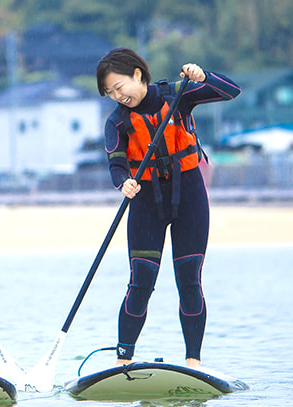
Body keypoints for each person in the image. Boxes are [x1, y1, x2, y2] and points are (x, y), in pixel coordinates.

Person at [95, 48, 241, 369]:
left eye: (120, 87)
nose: (118, 96)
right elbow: (116, 163)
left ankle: (193, 362)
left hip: (189, 196)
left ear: (137, 74)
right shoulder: (116, 121)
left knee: (189, 280)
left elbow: (230, 90)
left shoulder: (177, 95)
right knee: (140, 282)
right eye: (110, 93)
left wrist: (203, 76)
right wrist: (123, 183)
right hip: (146, 201)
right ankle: (123, 362)